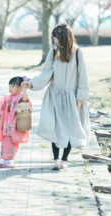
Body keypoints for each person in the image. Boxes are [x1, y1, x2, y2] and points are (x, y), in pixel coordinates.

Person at [26, 22, 90, 169]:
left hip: (72, 96)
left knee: (69, 128)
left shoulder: (78, 53)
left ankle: (64, 160)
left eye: (57, 38)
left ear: (64, 38)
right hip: (54, 95)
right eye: (54, 38)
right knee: (55, 127)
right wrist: (31, 83)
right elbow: (46, 74)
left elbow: (83, 77)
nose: (55, 41)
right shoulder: (53, 52)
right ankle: (55, 159)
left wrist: (80, 97)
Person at [0, 75, 33, 168]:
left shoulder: (20, 97)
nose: (10, 88)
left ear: (20, 88)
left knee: (13, 144)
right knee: (5, 143)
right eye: (9, 86)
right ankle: (5, 160)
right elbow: (1, 103)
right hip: (7, 125)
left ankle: (8, 160)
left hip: (15, 126)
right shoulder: (10, 97)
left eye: (12, 86)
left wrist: (24, 89)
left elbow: (25, 99)